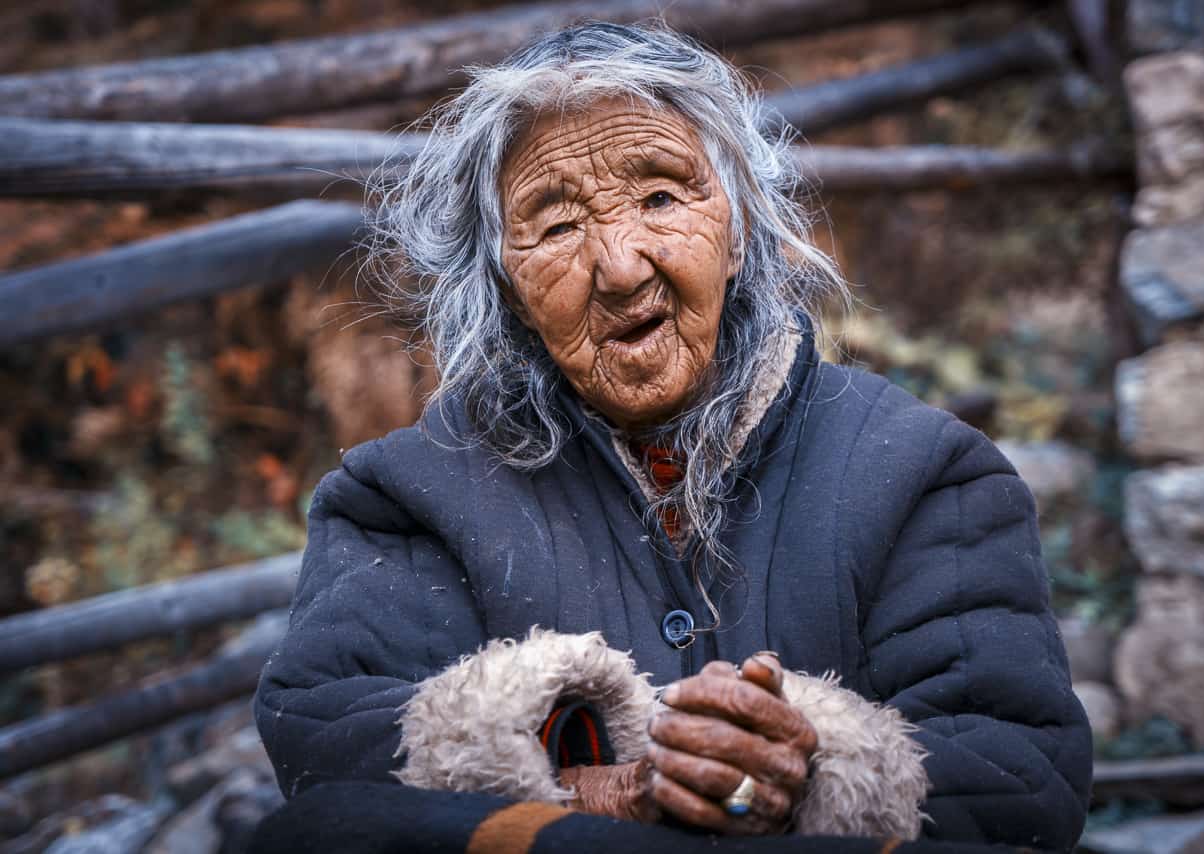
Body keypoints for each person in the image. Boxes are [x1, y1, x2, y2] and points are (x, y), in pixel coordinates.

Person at [254, 22, 1091, 849]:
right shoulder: (408, 497)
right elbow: (328, 740)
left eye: (659, 196)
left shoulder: (924, 473)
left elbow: (1022, 774)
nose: (620, 266)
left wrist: (812, 770)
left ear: (740, 231)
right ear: (508, 290)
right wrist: (591, 788)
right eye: (556, 224)